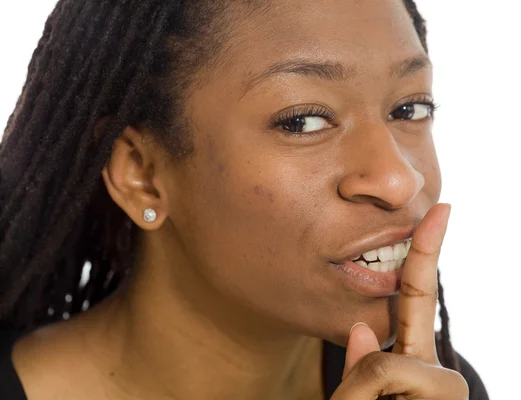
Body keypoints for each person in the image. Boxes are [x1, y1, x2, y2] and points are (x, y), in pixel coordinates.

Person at [0, 0, 489, 399]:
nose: (398, 181)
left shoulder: (424, 388)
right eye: (303, 120)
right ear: (142, 175)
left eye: (409, 107)